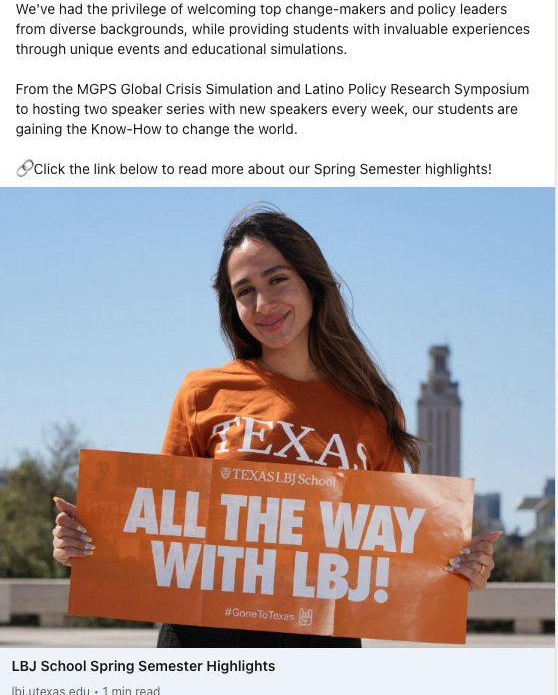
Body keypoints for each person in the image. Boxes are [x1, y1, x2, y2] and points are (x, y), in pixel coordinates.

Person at [52, 208, 501, 647]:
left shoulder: (373, 411)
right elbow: (161, 530)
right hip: (203, 638)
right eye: (244, 290)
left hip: (321, 643)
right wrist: (89, 546)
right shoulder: (203, 392)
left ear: (311, 283)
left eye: (277, 279)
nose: (262, 303)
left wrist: (460, 568)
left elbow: (390, 554)